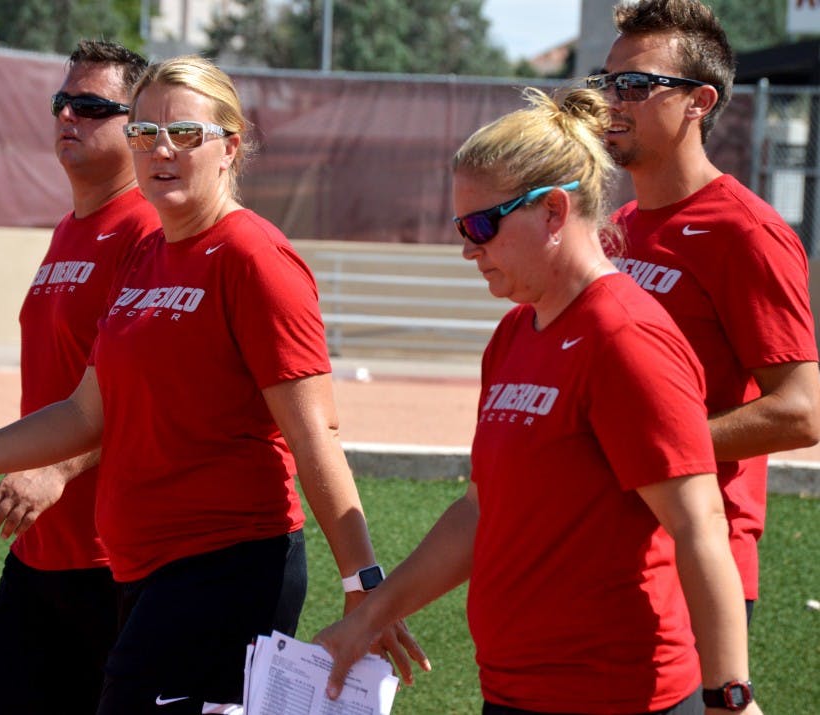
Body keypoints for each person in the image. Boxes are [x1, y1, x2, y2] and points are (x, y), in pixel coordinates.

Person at [0, 54, 426, 714]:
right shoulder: (145, 256)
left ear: (230, 146)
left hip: (229, 563)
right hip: (143, 568)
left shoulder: (255, 255)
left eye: (186, 133)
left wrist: (365, 583)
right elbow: (84, 413)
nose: (162, 149)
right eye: (145, 132)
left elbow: (314, 437)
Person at [315, 86, 762, 715]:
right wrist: (370, 617)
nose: (468, 248)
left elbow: (700, 526)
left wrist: (730, 696)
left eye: (481, 226)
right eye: (460, 228)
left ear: (554, 211)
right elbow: (480, 508)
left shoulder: (625, 336)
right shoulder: (513, 334)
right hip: (518, 692)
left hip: (620, 697)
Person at [589, 0, 820, 623]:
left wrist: (645, 449)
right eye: (607, 81)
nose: (612, 100)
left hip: (698, 563)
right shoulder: (618, 227)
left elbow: (800, 411)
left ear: (700, 102)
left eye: (635, 84)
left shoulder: (747, 232)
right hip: (616, 552)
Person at [0, 39, 159, 715]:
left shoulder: (148, 235)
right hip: (39, 551)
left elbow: (148, 385)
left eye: (93, 105)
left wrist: (56, 469)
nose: (69, 115)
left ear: (138, 125)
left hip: (114, 563)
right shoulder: (70, 231)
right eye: (62, 102)